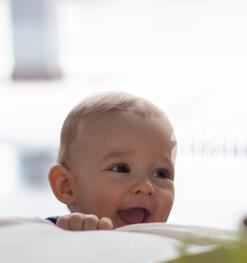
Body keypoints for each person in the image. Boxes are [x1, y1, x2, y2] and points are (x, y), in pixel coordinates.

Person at [47, 91, 176, 231]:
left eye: (161, 173)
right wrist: (71, 239)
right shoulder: (50, 236)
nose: (146, 187)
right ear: (67, 186)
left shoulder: (173, 244)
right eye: (121, 169)